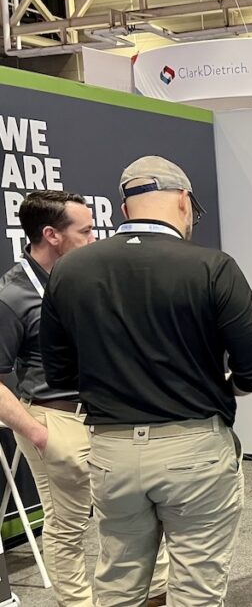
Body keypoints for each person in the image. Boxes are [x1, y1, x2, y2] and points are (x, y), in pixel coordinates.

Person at [39, 156, 252, 606]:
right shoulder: (213, 267)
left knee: (118, 586)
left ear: (126, 209)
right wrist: (216, 385)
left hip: (111, 452)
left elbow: (60, 374)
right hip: (194, 448)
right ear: (184, 202)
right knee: (197, 589)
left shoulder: (70, 271)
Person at [0, 190, 169, 607]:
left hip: (109, 414)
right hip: (55, 419)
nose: (96, 237)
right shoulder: (11, 295)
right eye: (87, 230)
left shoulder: (86, 277)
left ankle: (156, 595)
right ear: (52, 235)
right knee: (68, 524)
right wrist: (39, 435)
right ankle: (76, 603)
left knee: (139, 510)